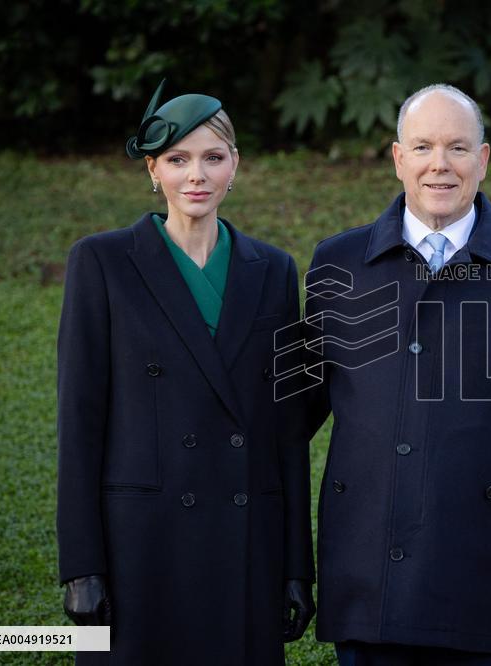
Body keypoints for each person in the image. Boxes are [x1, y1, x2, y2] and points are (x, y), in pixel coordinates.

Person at [300, 84, 491, 664]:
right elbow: (288, 419)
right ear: (398, 159)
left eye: (458, 148)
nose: (440, 164)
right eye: (423, 147)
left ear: (482, 161)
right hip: (366, 585)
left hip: (488, 587)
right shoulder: (336, 263)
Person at [56, 80, 315, 665]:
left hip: (245, 544)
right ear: (153, 170)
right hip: (138, 547)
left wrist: (297, 566)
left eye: (212, 158)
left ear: (235, 166)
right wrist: (81, 566)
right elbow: (79, 424)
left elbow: (285, 433)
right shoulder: (100, 262)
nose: (195, 175)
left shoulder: (274, 270)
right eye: (177, 160)